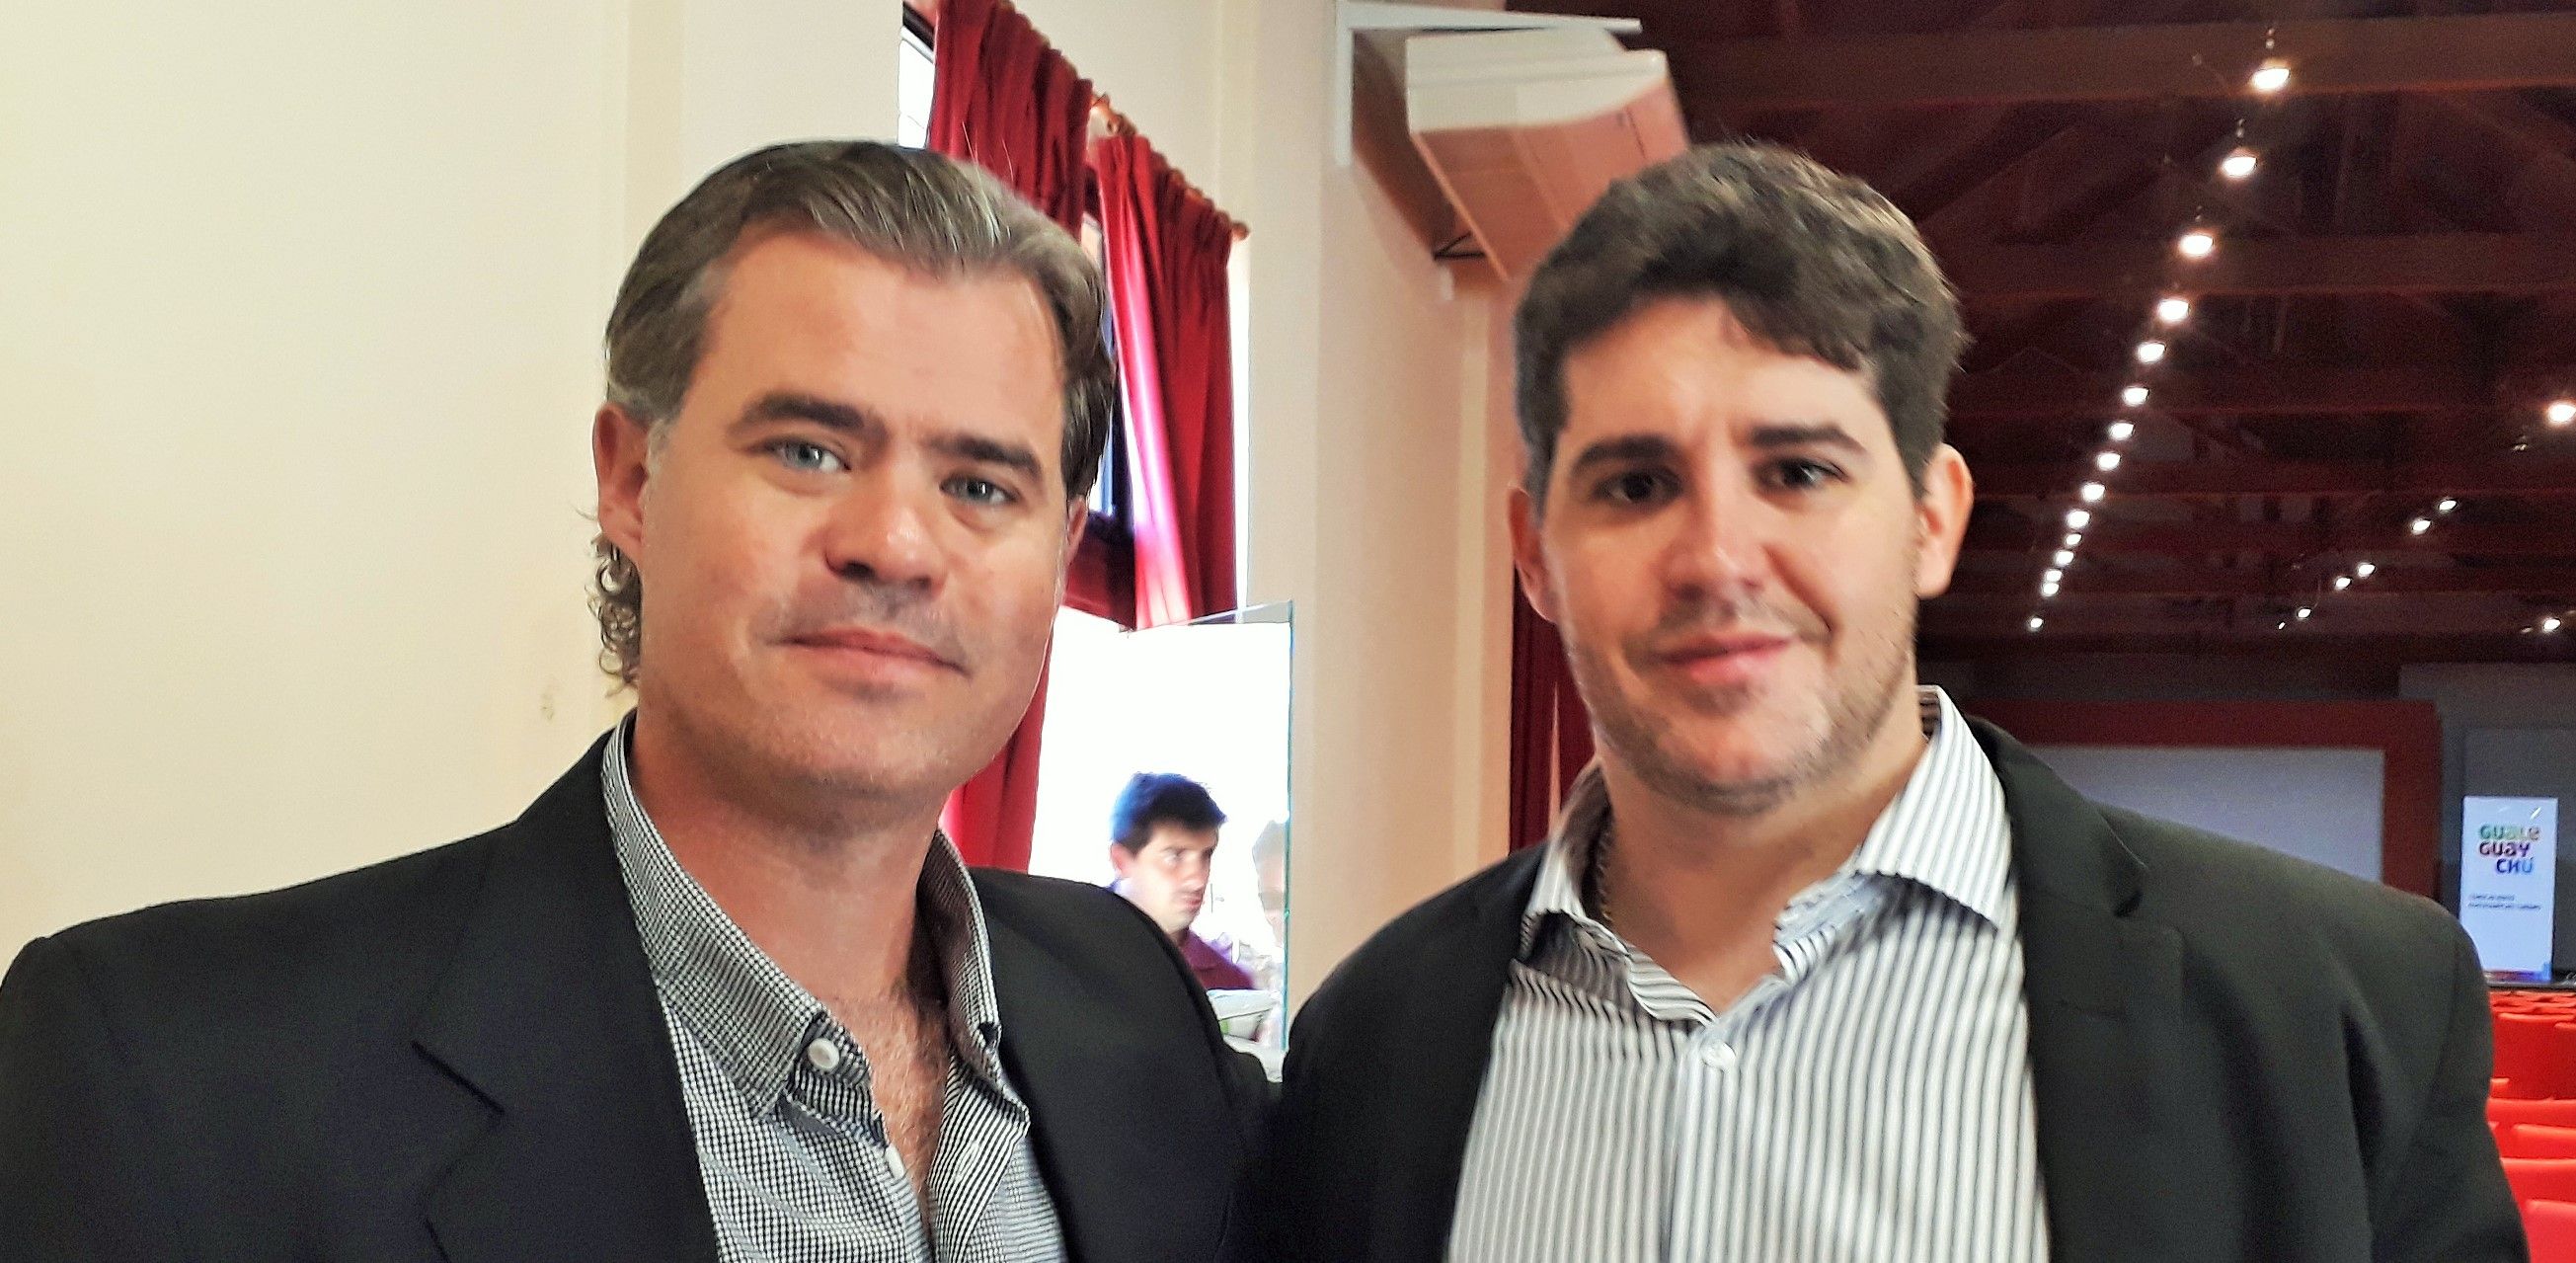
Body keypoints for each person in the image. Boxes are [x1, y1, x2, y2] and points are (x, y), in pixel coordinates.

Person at [1253, 143, 2522, 1262]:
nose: (1717, 558)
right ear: (1534, 553)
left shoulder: (2338, 1011)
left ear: (1929, 519)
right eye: (1634, 485)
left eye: (1797, 471)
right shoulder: (1371, 1042)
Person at [0, 142, 1263, 1262]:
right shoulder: (168, 1068)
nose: (893, 542)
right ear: (630, 482)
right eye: (807, 451)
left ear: (1057, 554)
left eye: (981, 485)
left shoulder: (1131, 1001)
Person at [1108, 772, 1257, 990]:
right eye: (1174, 857)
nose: (1198, 881)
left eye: (1206, 856)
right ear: (1121, 861)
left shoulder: (1230, 985)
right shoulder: (1068, 954)